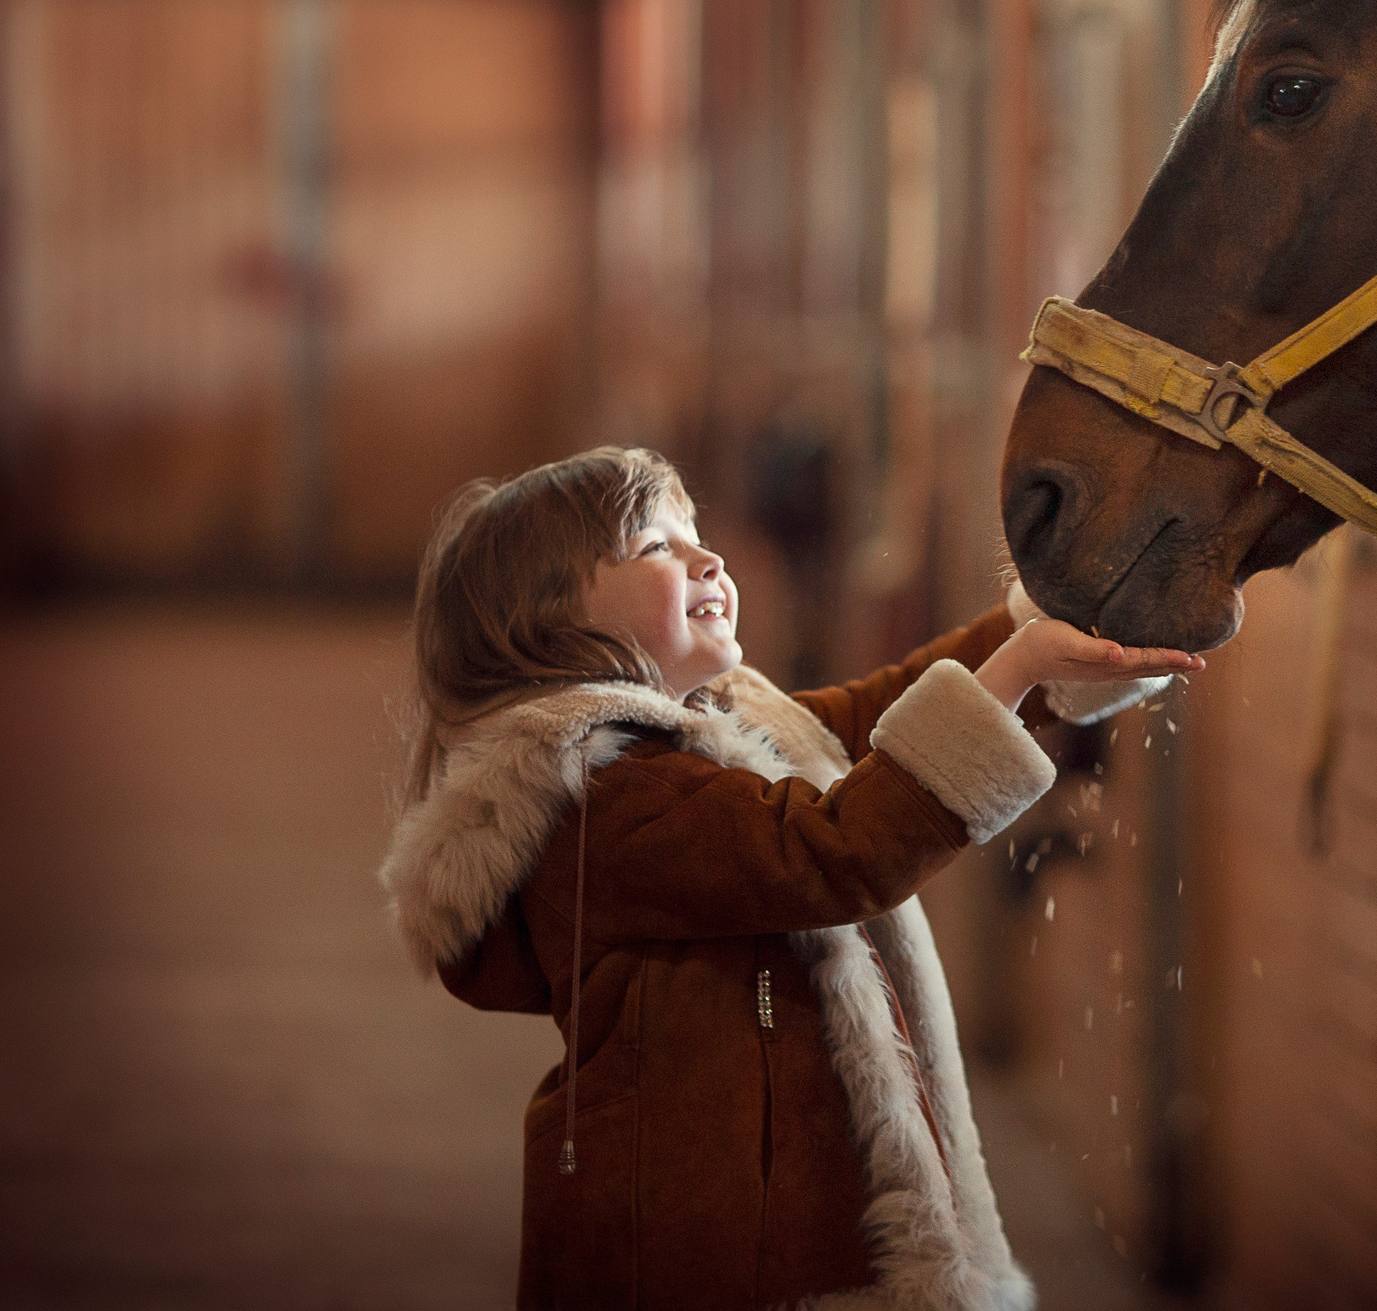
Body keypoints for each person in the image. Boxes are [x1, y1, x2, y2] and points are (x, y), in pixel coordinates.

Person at [378, 446, 1197, 1310]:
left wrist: (1057, 625)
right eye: (657, 548)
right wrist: (1020, 667)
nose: (710, 560)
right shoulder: (604, 796)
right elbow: (833, 853)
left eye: (696, 537)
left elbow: (886, 713)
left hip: (773, 1226)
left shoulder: (729, 718)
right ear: (548, 623)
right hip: (719, 1251)